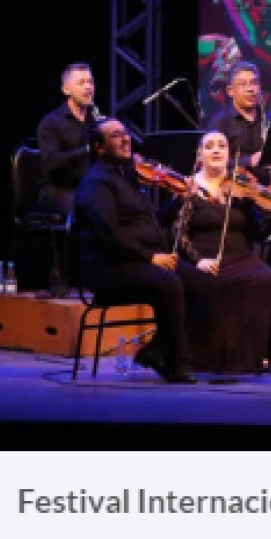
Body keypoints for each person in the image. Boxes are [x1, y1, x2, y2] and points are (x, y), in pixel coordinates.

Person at [73, 119, 209, 383]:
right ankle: (178, 363)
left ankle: (156, 352)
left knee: (205, 286)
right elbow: (108, 235)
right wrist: (150, 257)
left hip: (140, 261)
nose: (125, 139)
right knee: (169, 284)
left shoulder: (127, 178)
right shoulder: (97, 184)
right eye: (115, 136)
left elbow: (149, 223)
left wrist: (175, 204)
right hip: (110, 268)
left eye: (125, 134)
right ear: (99, 147)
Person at [175, 131, 271, 374]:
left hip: (241, 256)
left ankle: (259, 355)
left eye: (222, 146)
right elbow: (179, 234)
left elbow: (258, 232)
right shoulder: (189, 187)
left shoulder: (242, 187)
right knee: (219, 284)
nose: (216, 150)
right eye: (209, 146)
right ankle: (222, 358)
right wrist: (199, 261)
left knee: (267, 279)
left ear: (229, 154)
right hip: (204, 258)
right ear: (199, 155)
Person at [37, 62, 100, 216]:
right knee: (91, 207)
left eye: (90, 82)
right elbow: (50, 163)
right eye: (81, 83)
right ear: (66, 90)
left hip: (90, 187)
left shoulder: (97, 120)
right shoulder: (51, 122)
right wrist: (87, 150)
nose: (88, 87)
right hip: (58, 189)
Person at [206, 61, 267, 174]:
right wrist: (248, 161)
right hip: (233, 187)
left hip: (269, 188)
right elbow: (211, 162)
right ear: (230, 91)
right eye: (243, 84)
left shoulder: (268, 120)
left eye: (254, 83)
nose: (250, 89)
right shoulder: (220, 122)